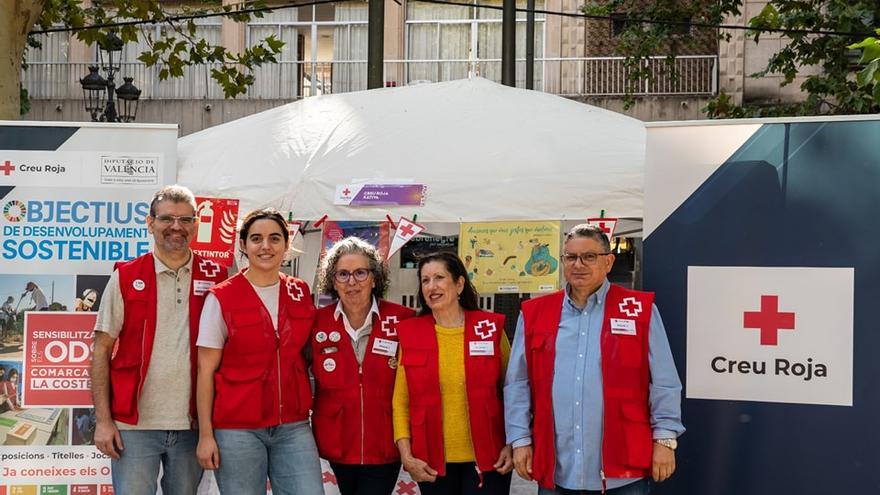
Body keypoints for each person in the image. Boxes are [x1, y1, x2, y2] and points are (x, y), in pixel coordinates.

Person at [504, 224, 685, 495]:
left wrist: (665, 438)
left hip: (623, 469)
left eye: (589, 257)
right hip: (558, 468)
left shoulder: (638, 310)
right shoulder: (534, 313)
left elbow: (664, 382)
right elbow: (517, 383)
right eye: (571, 257)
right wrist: (519, 439)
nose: (579, 265)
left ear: (608, 261)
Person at [91, 184, 228, 495]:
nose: (176, 227)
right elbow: (101, 350)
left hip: (194, 425)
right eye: (167, 219)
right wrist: (103, 420)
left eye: (185, 219)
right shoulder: (126, 276)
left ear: (196, 224)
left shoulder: (218, 277)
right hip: (134, 425)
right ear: (150, 223)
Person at [196, 208, 322, 495]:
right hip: (237, 429)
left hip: (293, 425)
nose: (266, 246)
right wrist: (206, 435)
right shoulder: (222, 297)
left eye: (275, 238)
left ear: (286, 245)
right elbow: (205, 371)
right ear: (243, 245)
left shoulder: (300, 291)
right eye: (256, 239)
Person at [393, 251, 513, 495]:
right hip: (431, 462)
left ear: (459, 284)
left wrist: (514, 443)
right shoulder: (411, 333)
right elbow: (401, 401)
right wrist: (407, 455)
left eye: (439, 277)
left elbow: (514, 392)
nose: (431, 286)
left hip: (490, 458)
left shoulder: (489, 328)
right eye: (425, 280)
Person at [312, 237, 416, 495]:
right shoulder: (316, 322)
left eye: (360, 272)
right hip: (336, 439)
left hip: (386, 440)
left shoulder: (403, 320)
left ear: (374, 277)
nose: (352, 282)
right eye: (343, 274)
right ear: (332, 281)